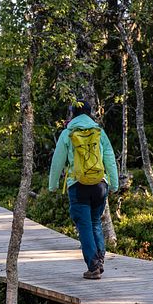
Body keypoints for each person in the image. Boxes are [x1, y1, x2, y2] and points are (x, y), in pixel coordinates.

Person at [48, 99, 119, 279]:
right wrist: (115, 183)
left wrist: (53, 185)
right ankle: (100, 259)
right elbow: (109, 158)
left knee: (85, 225)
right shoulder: (99, 131)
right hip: (99, 184)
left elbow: (57, 162)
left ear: (72, 113)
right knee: (95, 222)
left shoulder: (68, 133)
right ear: (89, 112)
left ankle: (93, 266)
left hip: (78, 185)